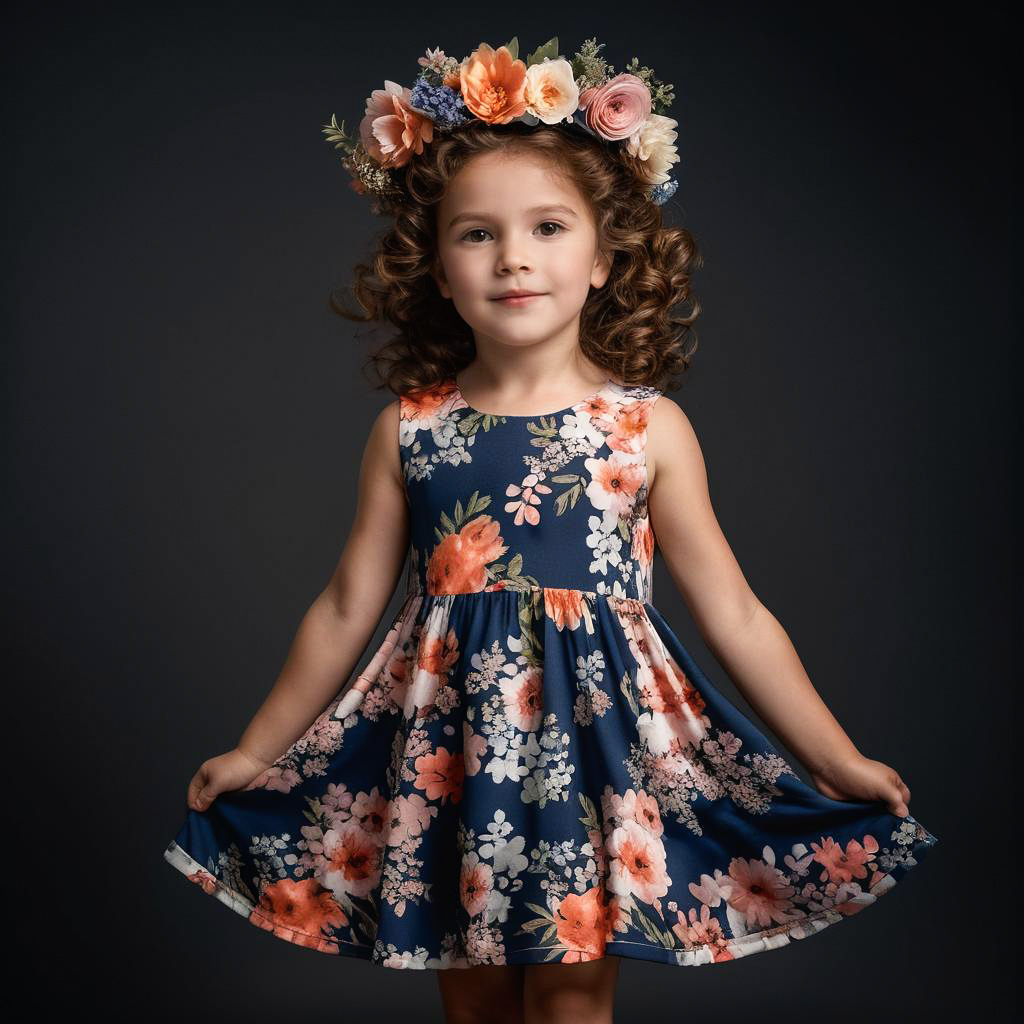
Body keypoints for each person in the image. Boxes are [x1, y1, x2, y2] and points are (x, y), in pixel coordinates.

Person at [162, 38, 938, 1024]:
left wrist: (834, 760)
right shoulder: (413, 428)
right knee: (474, 987)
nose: (514, 256)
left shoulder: (644, 427)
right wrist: (254, 749)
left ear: (605, 257)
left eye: (546, 226)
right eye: (476, 234)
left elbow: (735, 611)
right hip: (450, 746)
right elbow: (347, 604)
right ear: (438, 269)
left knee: (572, 987)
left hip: (596, 747)